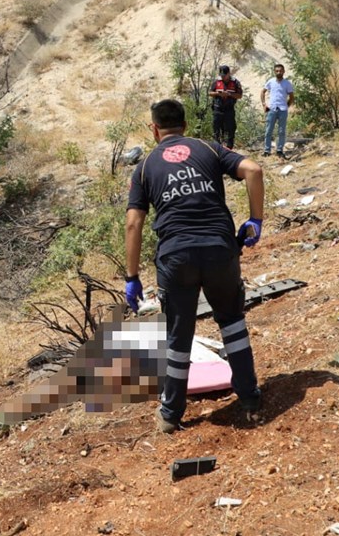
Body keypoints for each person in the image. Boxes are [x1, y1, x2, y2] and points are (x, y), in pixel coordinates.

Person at [124, 98, 265, 433]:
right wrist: (256, 220)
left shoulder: (144, 167)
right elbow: (254, 170)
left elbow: (133, 223)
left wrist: (132, 277)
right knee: (231, 323)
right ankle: (249, 397)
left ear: (154, 129)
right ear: (185, 125)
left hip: (176, 258)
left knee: (178, 336)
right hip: (219, 249)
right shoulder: (208, 149)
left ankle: (171, 414)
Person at [261, 64, 294, 158]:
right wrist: (264, 104)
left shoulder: (287, 83)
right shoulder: (270, 81)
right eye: (277, 71)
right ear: (274, 71)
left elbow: (291, 96)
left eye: (280, 71)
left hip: (283, 110)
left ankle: (279, 150)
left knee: (281, 131)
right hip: (272, 109)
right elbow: (263, 92)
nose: (279, 72)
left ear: (284, 71)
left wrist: (286, 105)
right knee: (268, 130)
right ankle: (267, 150)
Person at [210, 65, 243, 149]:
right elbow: (210, 92)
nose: (223, 77)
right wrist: (218, 93)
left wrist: (229, 94)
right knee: (216, 128)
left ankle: (229, 147)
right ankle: (217, 147)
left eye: (224, 75)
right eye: (221, 75)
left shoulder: (235, 82)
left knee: (230, 129)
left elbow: (239, 95)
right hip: (218, 109)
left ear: (229, 73)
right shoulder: (217, 81)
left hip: (229, 109)